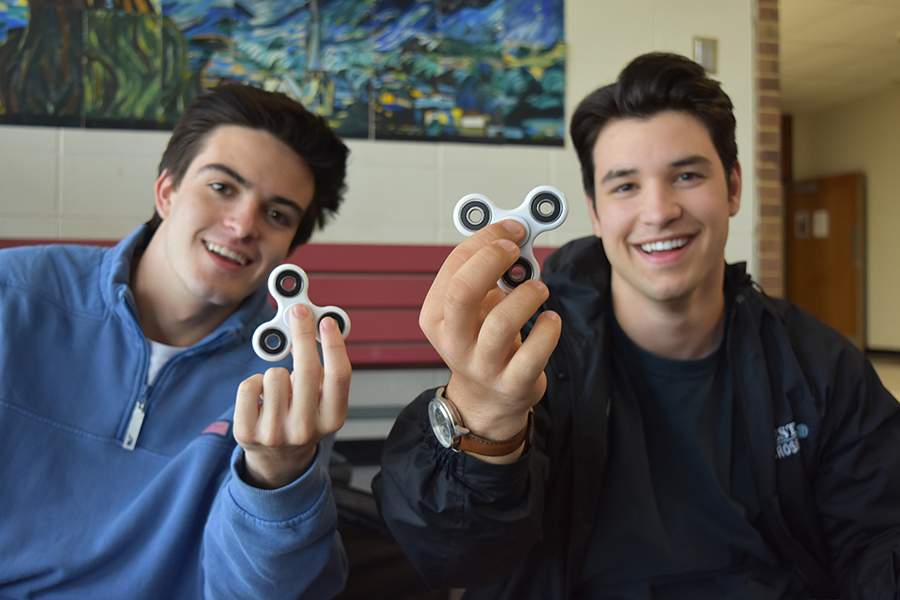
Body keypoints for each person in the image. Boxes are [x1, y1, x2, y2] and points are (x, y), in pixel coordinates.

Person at [373, 52, 900, 599]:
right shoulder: (532, 362)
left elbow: (880, 538)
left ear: (734, 187)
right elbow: (453, 558)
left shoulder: (819, 367)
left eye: (688, 175)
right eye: (625, 186)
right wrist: (481, 415)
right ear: (595, 213)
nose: (658, 210)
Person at [0, 84, 352, 599]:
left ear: (289, 249)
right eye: (222, 187)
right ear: (166, 191)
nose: (241, 226)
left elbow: (257, 593)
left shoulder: (289, 372)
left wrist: (278, 479)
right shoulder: (14, 296)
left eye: (277, 215)